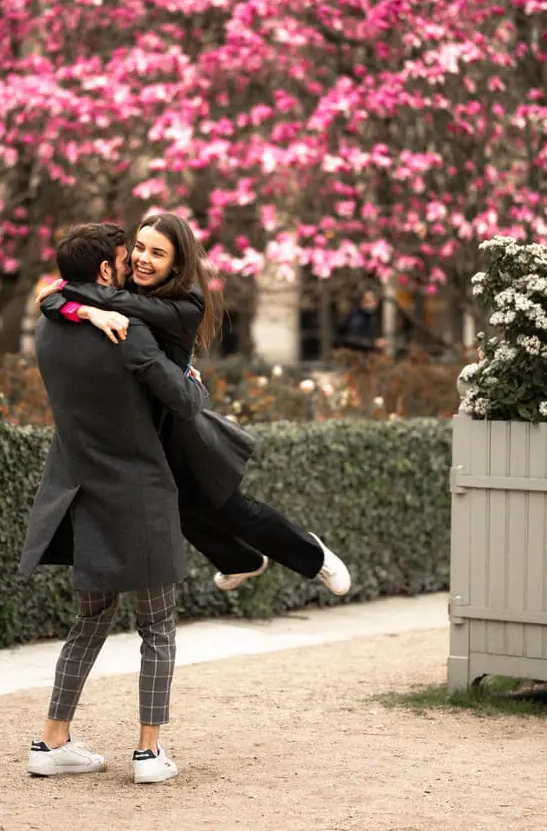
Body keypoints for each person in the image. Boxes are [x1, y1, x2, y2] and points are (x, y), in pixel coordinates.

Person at [37, 213, 350, 598]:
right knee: (181, 510)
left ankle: (314, 555)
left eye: (157, 253)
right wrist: (84, 309)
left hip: (177, 420)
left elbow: (80, 295)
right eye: (139, 248)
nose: (142, 259)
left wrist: (81, 302)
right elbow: (55, 300)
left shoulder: (186, 303)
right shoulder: (128, 285)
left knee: (233, 508)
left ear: (177, 263)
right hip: (144, 420)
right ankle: (241, 561)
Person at [20, 223, 207, 785]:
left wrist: (80, 307)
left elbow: (56, 299)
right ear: (106, 270)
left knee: (90, 622)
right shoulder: (129, 334)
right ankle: (149, 753)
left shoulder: (48, 329)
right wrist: (193, 377)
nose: (133, 266)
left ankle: (52, 741)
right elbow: (183, 402)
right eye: (126, 259)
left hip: (81, 490)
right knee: (158, 628)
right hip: (139, 494)